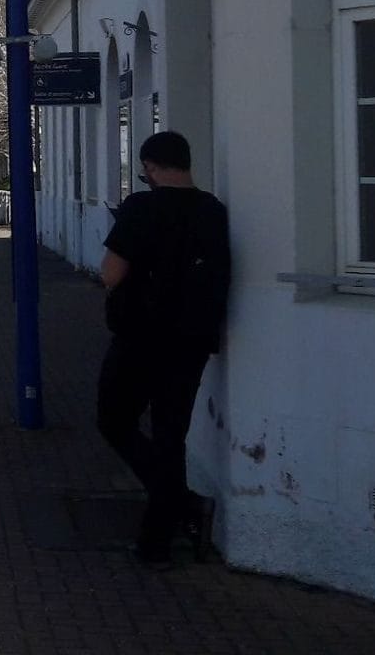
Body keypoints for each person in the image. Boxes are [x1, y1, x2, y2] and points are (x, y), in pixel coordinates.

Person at [97, 130, 231, 566]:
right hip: (190, 340)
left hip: (140, 337)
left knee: (114, 420)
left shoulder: (140, 208)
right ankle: (155, 542)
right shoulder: (212, 211)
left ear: (151, 168)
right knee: (172, 436)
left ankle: (181, 504)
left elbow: (111, 274)